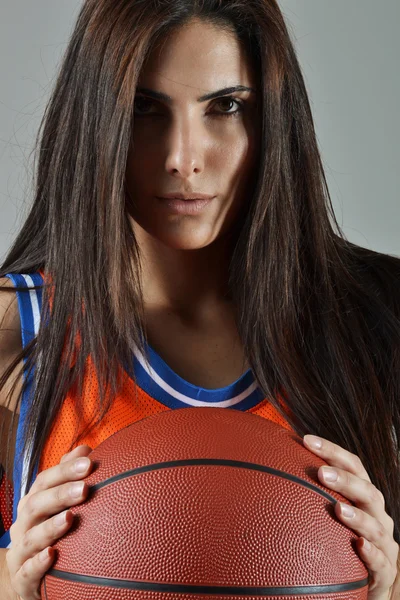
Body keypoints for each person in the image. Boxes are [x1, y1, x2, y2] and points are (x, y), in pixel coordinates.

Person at [0, 0, 399, 598]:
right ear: (93, 121)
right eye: (144, 109)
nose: (184, 158)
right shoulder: (17, 330)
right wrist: (12, 585)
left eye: (225, 107)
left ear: (273, 122)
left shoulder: (377, 318)